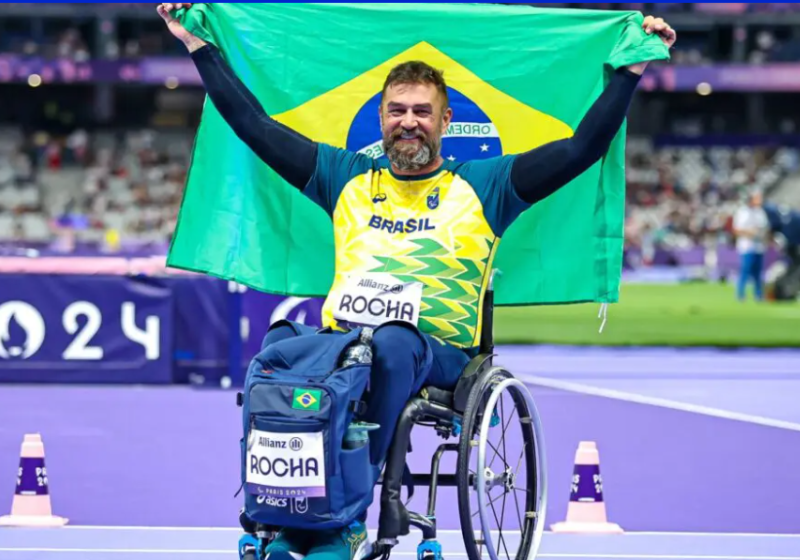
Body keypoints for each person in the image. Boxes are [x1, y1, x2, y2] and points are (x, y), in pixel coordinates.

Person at [157, 4, 676, 560]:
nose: (409, 121)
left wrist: (630, 70)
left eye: (422, 112)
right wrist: (198, 47)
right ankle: (275, 514)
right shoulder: (345, 178)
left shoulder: (487, 185)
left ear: (445, 121)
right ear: (380, 119)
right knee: (278, 349)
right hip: (347, 344)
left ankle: (345, 523)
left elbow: (581, 149)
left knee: (392, 343)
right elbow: (253, 127)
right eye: (397, 110)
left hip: (438, 352)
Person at [733, 189, 770, 301]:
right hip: (747, 246)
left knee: (758, 272)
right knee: (745, 270)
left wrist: (762, 234)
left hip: (759, 246)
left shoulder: (760, 212)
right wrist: (751, 233)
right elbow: (737, 229)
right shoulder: (742, 212)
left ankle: (758, 294)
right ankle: (740, 294)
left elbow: (765, 227)